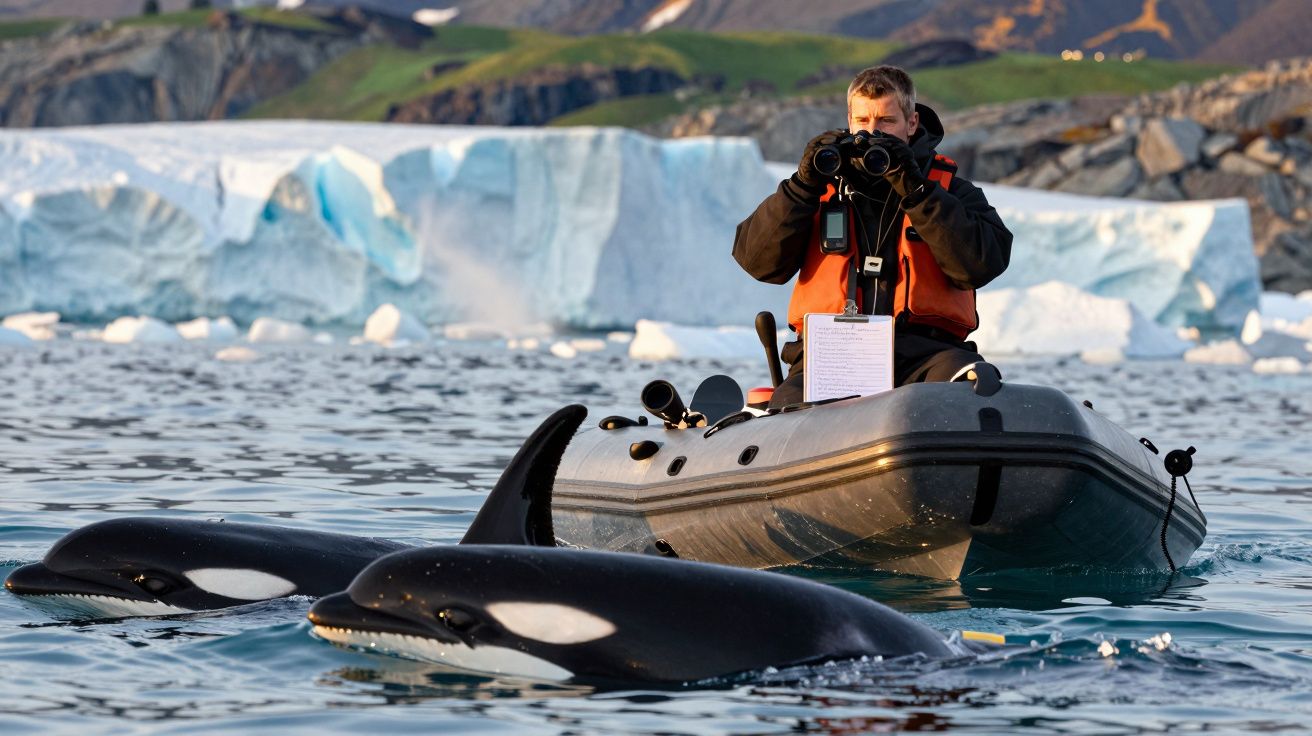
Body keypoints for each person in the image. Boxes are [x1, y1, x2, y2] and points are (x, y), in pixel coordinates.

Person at [733, 65, 1013, 407]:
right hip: (833, 355)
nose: (871, 133)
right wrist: (801, 187)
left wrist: (917, 190)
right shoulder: (818, 189)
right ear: (849, 120)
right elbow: (757, 262)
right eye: (863, 122)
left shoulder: (948, 190)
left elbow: (980, 264)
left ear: (912, 124)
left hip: (926, 355)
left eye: (886, 122)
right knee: (790, 412)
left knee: (974, 390)